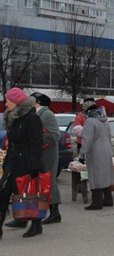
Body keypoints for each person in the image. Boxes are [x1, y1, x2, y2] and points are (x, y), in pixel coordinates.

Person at [0, 88, 45, 239]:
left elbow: (36, 143)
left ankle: (35, 224)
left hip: (26, 162)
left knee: (27, 195)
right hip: (12, 161)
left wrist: (34, 165)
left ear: (16, 102)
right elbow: (12, 142)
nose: (5, 103)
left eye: (8, 100)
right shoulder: (13, 118)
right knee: (4, 193)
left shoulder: (32, 119)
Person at [77, 105, 114, 210]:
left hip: (95, 151)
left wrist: (82, 154)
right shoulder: (105, 121)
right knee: (106, 175)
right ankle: (108, 199)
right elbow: (109, 137)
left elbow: (87, 140)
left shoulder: (90, 122)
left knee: (95, 175)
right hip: (106, 150)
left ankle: (97, 202)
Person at [33, 93, 62, 224]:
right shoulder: (37, 114)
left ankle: (55, 212)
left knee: (49, 181)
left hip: (48, 153)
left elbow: (55, 135)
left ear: (38, 102)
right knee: (42, 182)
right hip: (40, 152)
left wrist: (36, 138)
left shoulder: (47, 114)